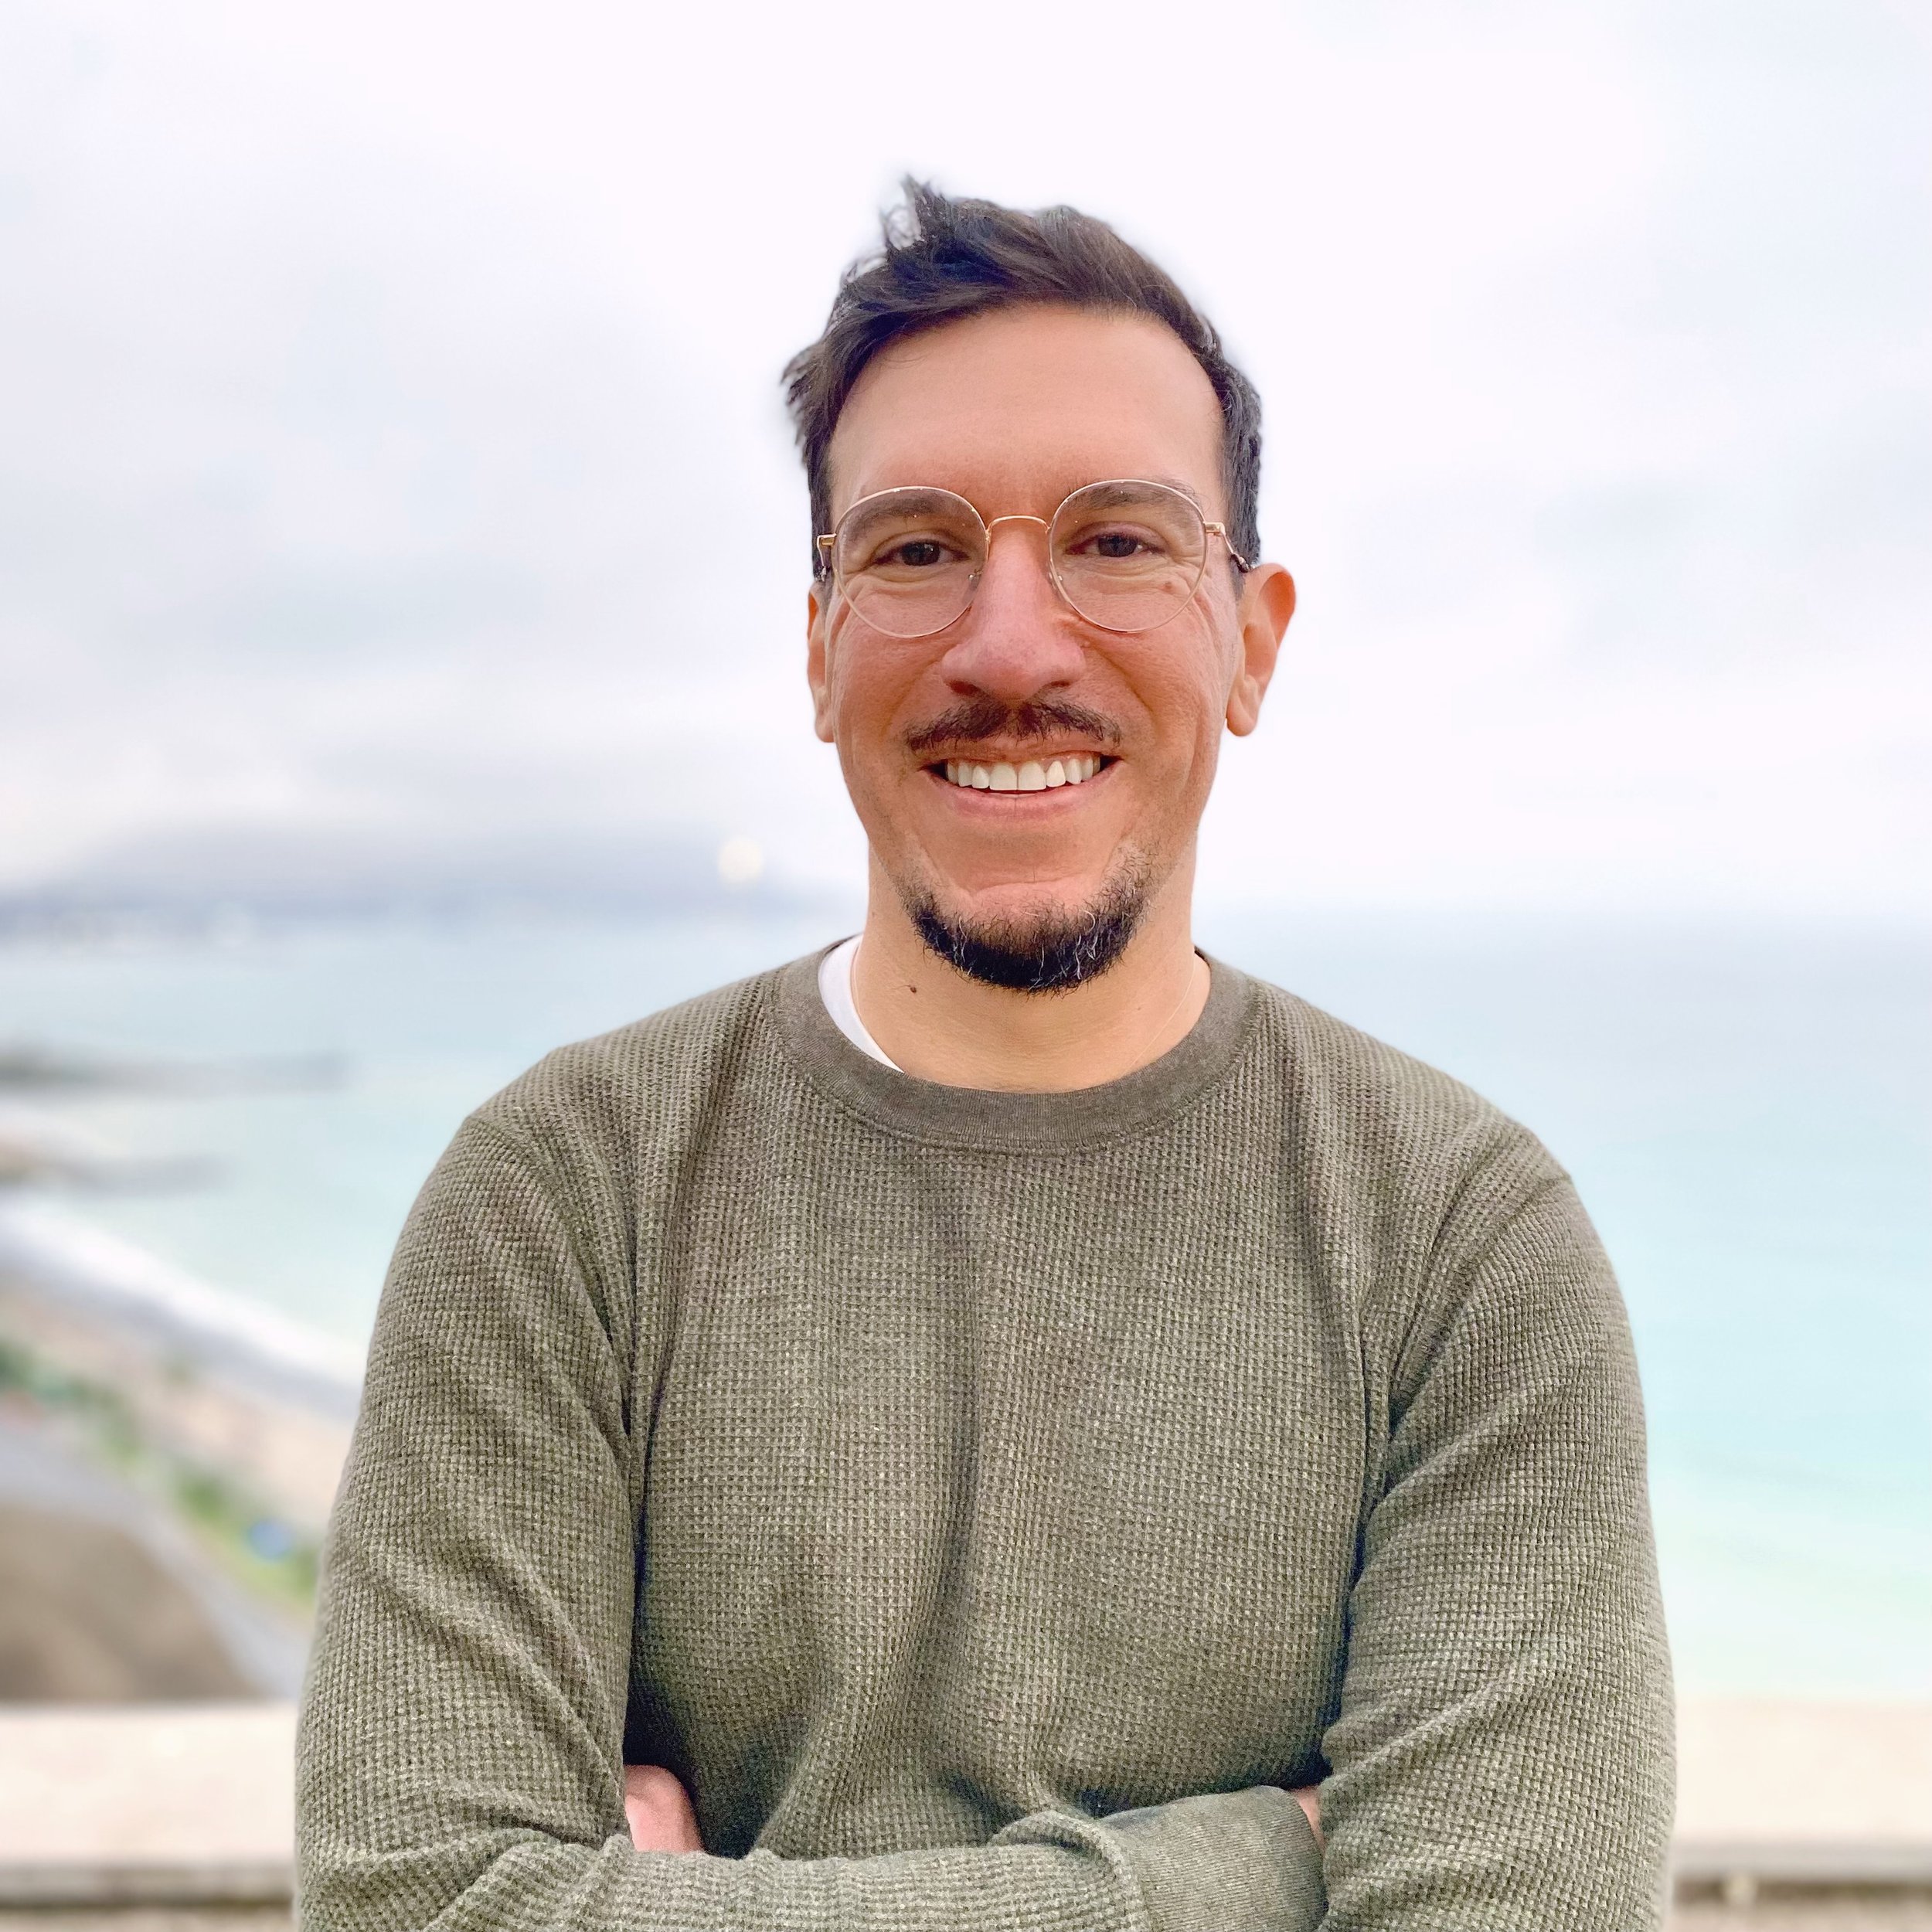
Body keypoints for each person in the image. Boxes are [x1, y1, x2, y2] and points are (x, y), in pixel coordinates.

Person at [296, 182, 1674, 1932]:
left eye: (1116, 540)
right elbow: (413, 1904)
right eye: (915, 547)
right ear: (816, 649)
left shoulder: (1460, 1248)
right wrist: (1256, 1863)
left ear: (1251, 638)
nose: (1010, 647)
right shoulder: (566, 1198)